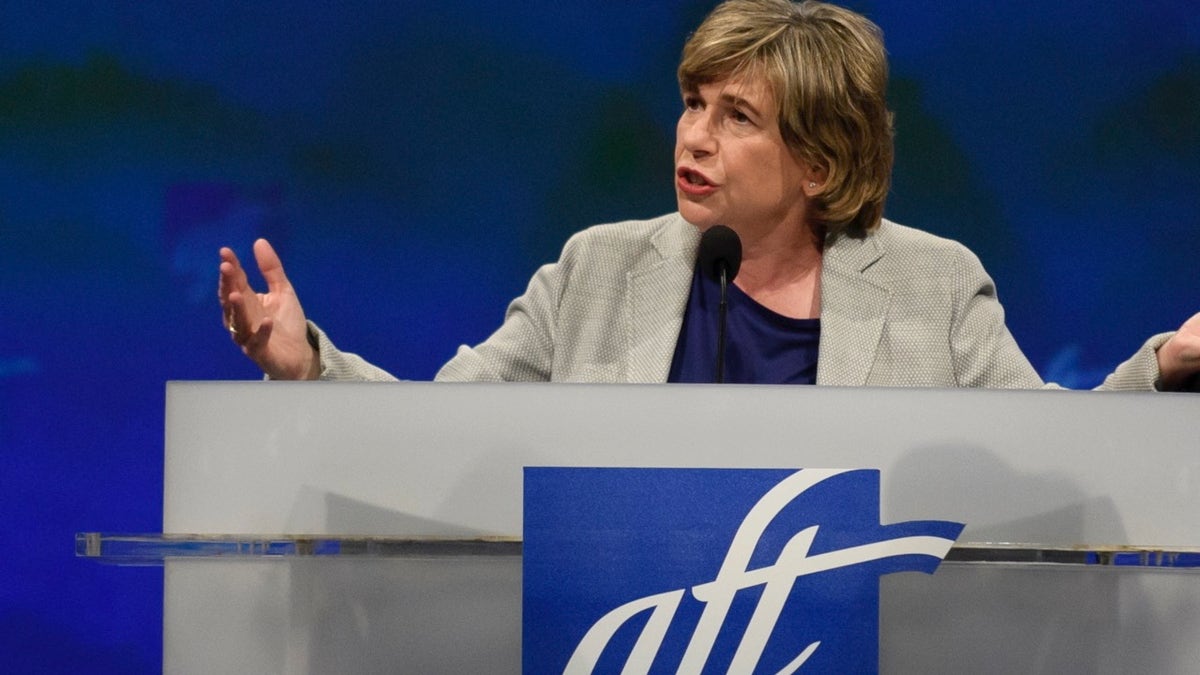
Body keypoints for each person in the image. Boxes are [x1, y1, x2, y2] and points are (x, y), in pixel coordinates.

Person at [218, 0, 1200, 391]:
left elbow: (1043, 473)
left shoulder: (937, 288)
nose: (693, 136)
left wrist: (1165, 366)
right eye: (693, 103)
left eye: (738, 117)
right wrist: (309, 367)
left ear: (818, 161)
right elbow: (445, 434)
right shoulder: (595, 270)